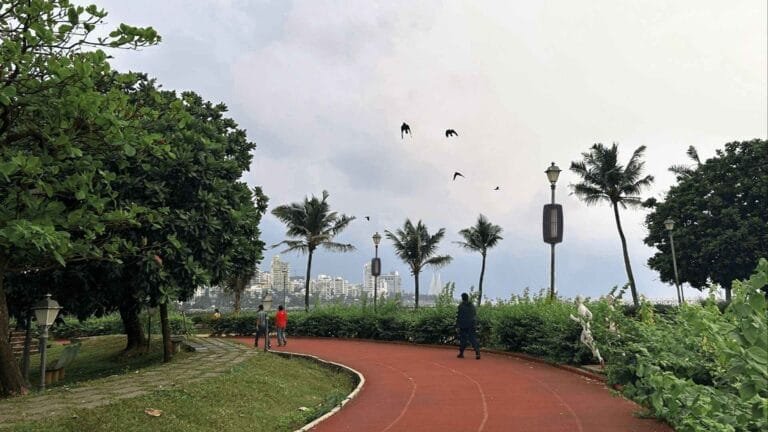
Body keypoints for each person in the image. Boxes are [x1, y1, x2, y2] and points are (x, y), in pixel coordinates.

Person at [456, 292, 481, 359]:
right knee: (473, 339)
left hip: (463, 325)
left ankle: (461, 353)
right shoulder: (472, 306)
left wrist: (457, 325)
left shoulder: (460, 306)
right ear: (468, 298)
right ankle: (477, 353)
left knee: (463, 339)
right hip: (472, 324)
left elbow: (459, 316)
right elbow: (474, 315)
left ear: (462, 298)